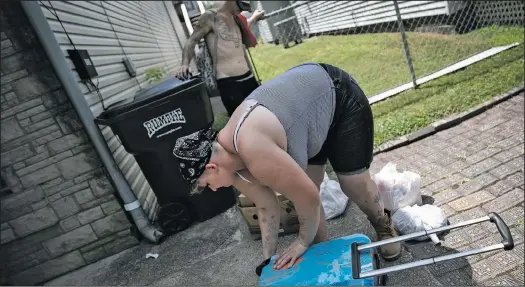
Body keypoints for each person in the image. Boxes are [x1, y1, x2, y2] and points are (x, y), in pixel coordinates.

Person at [173, 62, 402, 273]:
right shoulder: (232, 165)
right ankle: (323, 252)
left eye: (206, 184)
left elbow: (308, 199)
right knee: (308, 185)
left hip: (338, 96)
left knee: (353, 184)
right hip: (308, 120)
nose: (213, 189)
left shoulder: (251, 147)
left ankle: (384, 226)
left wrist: (301, 242)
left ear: (211, 167)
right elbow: (265, 205)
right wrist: (269, 259)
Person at [175, 0, 265, 116]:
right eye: (241, 6)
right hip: (230, 83)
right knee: (242, 123)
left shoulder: (237, 19)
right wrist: (185, 64)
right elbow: (192, 41)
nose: (242, 10)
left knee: (262, 115)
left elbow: (242, 29)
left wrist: (254, 17)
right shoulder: (210, 17)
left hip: (249, 77)